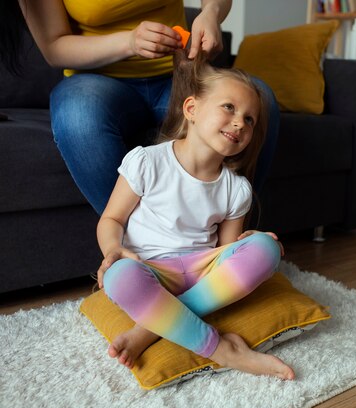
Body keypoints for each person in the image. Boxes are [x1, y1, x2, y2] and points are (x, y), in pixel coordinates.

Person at [96, 50, 294, 380]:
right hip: (151, 269)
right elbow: (111, 219)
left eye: (249, 119)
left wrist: (247, 243)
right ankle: (221, 349)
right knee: (119, 278)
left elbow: (224, 253)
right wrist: (113, 251)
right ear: (192, 108)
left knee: (267, 249)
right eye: (229, 107)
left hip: (201, 271)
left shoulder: (236, 189)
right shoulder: (147, 162)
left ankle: (150, 328)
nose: (239, 122)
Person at [1, 0, 278, 214]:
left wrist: (211, 13)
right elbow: (54, 48)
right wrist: (130, 42)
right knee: (79, 118)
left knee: (260, 99)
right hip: (96, 80)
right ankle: (145, 246)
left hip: (178, 72)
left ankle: (229, 242)